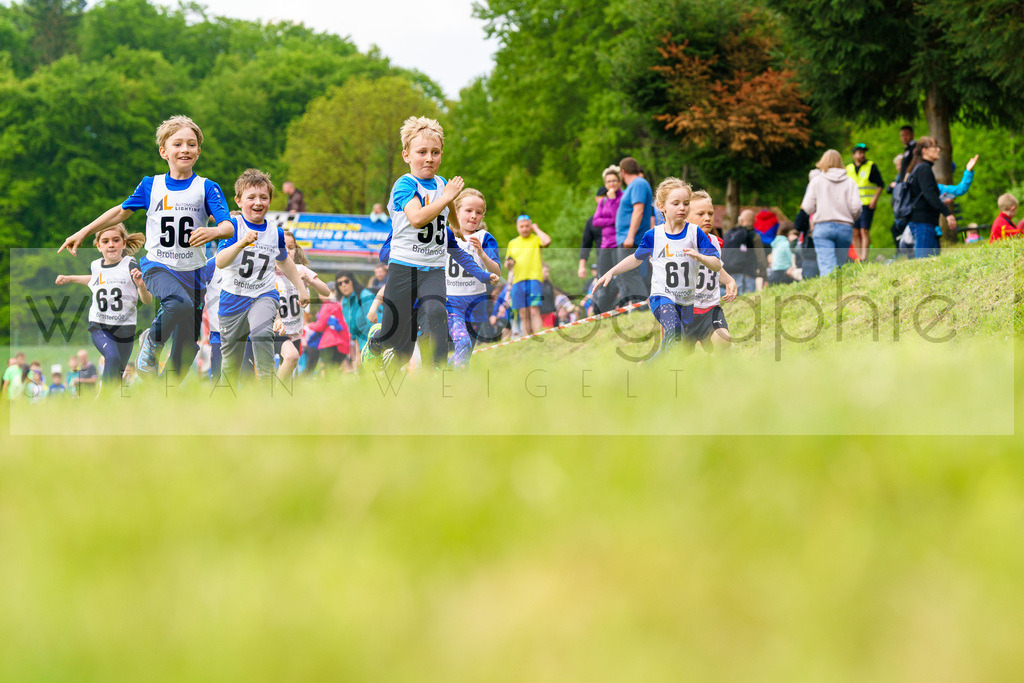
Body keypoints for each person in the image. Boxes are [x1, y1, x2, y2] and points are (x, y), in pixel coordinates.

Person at [58, 115, 234, 382]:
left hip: (195, 273)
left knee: (188, 348)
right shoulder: (151, 185)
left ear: (199, 150)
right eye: (177, 144)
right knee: (178, 303)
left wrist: (213, 230)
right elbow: (120, 212)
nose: (184, 149)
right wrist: (84, 232)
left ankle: (163, 392)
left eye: (191, 144)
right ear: (164, 151)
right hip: (158, 267)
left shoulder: (207, 188)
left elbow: (228, 227)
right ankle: (152, 340)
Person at [362, 116, 497, 372]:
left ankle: (437, 371)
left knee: (437, 312)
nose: (429, 158)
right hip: (403, 268)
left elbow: (448, 208)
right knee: (396, 338)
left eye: (435, 152)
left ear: (441, 155)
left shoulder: (442, 184)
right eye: (421, 152)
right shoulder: (405, 184)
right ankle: (375, 345)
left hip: (433, 269)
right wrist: (448, 197)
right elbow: (416, 218)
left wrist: (455, 226)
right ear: (406, 155)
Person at [595, 178, 722, 358]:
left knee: (677, 349)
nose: (682, 208)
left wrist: (702, 257)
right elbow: (636, 258)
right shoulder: (654, 235)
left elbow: (716, 265)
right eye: (676, 203)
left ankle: (650, 369)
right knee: (675, 332)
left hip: (686, 301)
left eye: (686, 203)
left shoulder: (696, 233)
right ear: (662, 206)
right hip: (661, 297)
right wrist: (611, 271)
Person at [215, 169, 309, 386]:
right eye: (251, 197)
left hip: (263, 294)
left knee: (261, 332)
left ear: (270, 200)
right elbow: (221, 261)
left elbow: (285, 261)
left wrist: (301, 289)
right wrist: (241, 243)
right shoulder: (231, 227)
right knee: (230, 361)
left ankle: (267, 391)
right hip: (233, 298)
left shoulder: (275, 232)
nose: (258, 202)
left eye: (263, 197)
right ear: (239, 201)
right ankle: (224, 399)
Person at [55, 224, 152, 386]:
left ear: (124, 243)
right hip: (100, 326)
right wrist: (69, 278)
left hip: (126, 328)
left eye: (116, 240)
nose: (111, 244)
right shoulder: (95, 266)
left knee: (117, 377)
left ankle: (109, 403)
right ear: (98, 246)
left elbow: (147, 300)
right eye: (105, 241)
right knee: (112, 357)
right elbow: (94, 280)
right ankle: (102, 400)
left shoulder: (131, 265)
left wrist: (141, 285)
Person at [446, 188, 501, 368]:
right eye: (468, 211)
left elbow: (496, 272)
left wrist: (481, 254)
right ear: (456, 211)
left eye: (479, 213)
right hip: (451, 301)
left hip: (476, 303)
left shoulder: (485, 238)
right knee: (462, 343)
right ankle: (459, 387)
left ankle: (443, 373)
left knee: (465, 355)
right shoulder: (445, 234)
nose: (473, 216)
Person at [275, 232, 330, 382]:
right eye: (282, 246)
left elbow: (326, 291)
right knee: (289, 358)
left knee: (289, 366)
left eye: (291, 247)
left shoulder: (301, 269)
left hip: (295, 330)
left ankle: (281, 395)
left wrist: (310, 280)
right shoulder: (269, 272)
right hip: (276, 329)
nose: (286, 251)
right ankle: (273, 394)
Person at [687, 191, 737, 352]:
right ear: (686, 217)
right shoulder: (679, 243)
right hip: (684, 311)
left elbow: (716, 267)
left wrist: (729, 281)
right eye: (700, 214)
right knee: (674, 358)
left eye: (710, 213)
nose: (707, 218)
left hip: (710, 309)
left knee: (724, 340)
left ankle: (721, 374)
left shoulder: (716, 242)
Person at [800, 149, 861, 276]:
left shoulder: (816, 181)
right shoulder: (850, 182)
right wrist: (849, 218)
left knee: (827, 265)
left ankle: (830, 294)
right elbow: (856, 207)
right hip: (845, 227)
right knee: (840, 265)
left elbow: (807, 207)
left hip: (823, 226)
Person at [903, 136, 957, 258]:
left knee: (932, 263)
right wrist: (947, 213)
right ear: (924, 151)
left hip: (925, 222)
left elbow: (926, 194)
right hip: (923, 222)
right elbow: (929, 194)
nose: (938, 149)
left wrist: (940, 199)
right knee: (924, 262)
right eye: (934, 147)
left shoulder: (919, 167)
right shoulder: (923, 168)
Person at [614, 157, 655, 304]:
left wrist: (630, 236)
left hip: (631, 238)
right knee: (627, 273)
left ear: (623, 171)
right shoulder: (635, 185)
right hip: (627, 237)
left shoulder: (638, 183)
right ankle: (640, 304)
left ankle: (643, 305)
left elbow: (638, 210)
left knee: (628, 273)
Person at [506, 215, 552, 337]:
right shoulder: (512, 243)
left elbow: (547, 241)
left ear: (530, 226)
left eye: (527, 226)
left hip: (534, 279)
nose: (524, 229)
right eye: (522, 226)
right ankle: (526, 338)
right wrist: (509, 263)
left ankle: (539, 334)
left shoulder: (536, 239)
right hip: (517, 280)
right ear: (517, 227)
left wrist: (536, 229)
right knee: (522, 312)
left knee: (533, 309)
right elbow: (507, 263)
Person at [846, 143, 885, 261]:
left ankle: (864, 257)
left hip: (867, 204)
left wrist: (874, 199)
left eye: (863, 152)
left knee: (864, 230)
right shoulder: (848, 169)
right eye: (859, 152)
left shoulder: (871, 166)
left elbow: (880, 184)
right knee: (854, 231)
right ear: (854, 155)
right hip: (853, 205)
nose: (862, 155)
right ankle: (858, 258)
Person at [721, 209, 765, 294]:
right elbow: (761, 258)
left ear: (741, 220)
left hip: (728, 276)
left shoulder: (729, 234)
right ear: (754, 221)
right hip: (747, 276)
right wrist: (763, 276)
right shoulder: (754, 236)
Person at [335, 271, 375, 355]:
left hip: (374, 345)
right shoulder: (345, 302)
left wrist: (374, 348)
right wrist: (357, 354)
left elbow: (375, 325)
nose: (343, 285)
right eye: (340, 283)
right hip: (361, 348)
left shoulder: (365, 295)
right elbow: (353, 331)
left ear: (352, 281)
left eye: (346, 281)